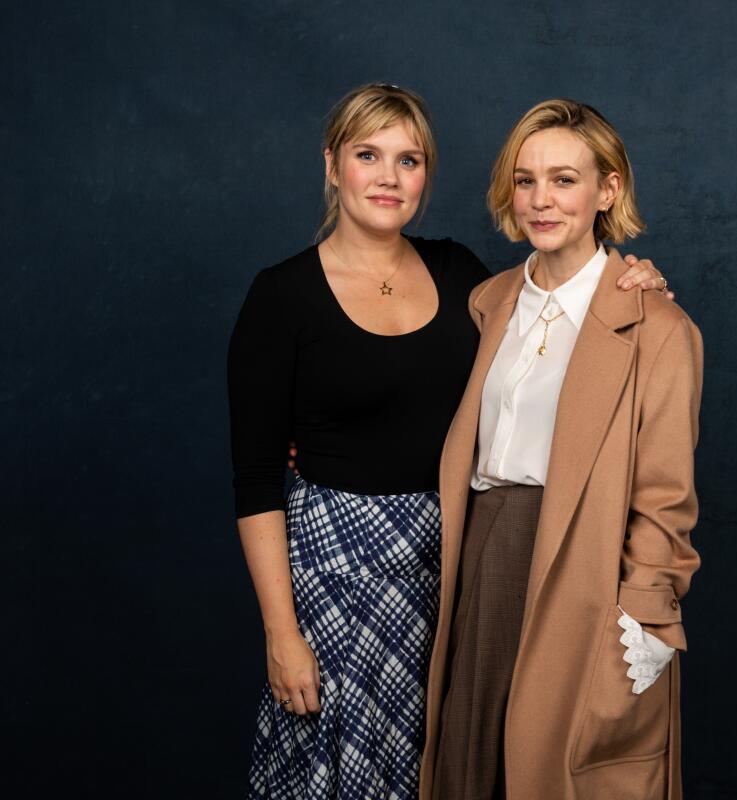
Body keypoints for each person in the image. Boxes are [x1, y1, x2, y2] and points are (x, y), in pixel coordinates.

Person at [227, 84, 670, 800]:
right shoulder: (280, 297)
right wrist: (282, 633)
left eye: (409, 160)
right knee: (335, 769)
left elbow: (552, 317)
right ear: (333, 163)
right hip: (335, 573)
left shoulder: (464, 277)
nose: (387, 177)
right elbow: (254, 481)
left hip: (449, 561)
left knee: (443, 763)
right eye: (368, 155)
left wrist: (629, 281)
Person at [421, 99, 702, 800]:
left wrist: (647, 613)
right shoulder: (485, 302)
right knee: (471, 764)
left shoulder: (657, 325)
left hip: (583, 569)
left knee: (557, 772)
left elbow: (665, 494)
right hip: (481, 560)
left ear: (608, 190)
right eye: (525, 180)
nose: (541, 201)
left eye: (564, 180)